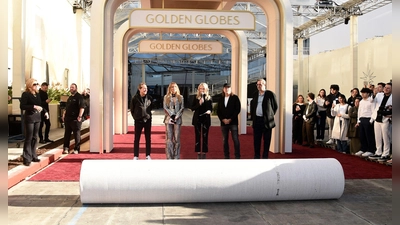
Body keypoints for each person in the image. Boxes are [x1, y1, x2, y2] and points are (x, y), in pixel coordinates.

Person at [20, 78, 49, 166]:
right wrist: (34, 106)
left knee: (35, 137)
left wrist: (45, 111)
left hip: (37, 118)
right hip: (30, 118)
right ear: (30, 85)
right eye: (34, 84)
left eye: (37, 84)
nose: (36, 86)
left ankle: (33, 155)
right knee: (29, 138)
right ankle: (26, 158)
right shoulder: (26, 94)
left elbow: (40, 105)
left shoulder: (37, 94)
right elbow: (22, 106)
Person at [250, 78, 278, 159]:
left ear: (264, 85)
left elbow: (275, 106)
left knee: (267, 140)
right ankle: (257, 156)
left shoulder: (270, 94)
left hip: (267, 121)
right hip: (257, 121)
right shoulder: (255, 94)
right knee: (256, 140)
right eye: (257, 84)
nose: (259, 86)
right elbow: (253, 106)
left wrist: (269, 115)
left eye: (260, 84)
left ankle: (265, 156)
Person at [217, 83, 241, 159]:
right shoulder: (221, 98)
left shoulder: (235, 98)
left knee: (235, 139)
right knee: (224, 140)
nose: (227, 89)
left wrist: (230, 119)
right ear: (223, 89)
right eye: (225, 88)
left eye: (228, 88)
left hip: (233, 122)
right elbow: (218, 111)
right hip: (223, 123)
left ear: (231, 89)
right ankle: (226, 156)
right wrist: (223, 119)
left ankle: (237, 156)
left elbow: (237, 110)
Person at [368, 83, 392, 162]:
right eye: (385, 87)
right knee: (377, 136)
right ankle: (378, 152)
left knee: (385, 137)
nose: (386, 89)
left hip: (386, 119)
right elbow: (371, 101)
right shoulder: (379, 95)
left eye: (388, 88)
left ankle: (385, 154)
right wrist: (374, 94)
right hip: (377, 118)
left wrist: (391, 115)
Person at [130, 82, 153, 160]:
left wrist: (148, 116)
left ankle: (148, 155)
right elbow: (132, 109)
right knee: (137, 138)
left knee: (148, 138)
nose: (145, 90)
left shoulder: (150, 98)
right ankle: (136, 155)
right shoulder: (135, 98)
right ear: (139, 89)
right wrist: (136, 117)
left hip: (147, 121)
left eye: (146, 88)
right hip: (138, 121)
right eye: (143, 88)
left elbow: (151, 108)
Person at [190, 82, 212, 159]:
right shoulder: (195, 98)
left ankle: (204, 150)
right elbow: (192, 108)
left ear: (206, 89)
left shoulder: (209, 98)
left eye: (203, 88)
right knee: (198, 135)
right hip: (197, 119)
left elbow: (210, 108)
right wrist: (199, 103)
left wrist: (209, 111)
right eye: (200, 88)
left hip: (206, 118)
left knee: (205, 135)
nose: (201, 90)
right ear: (198, 89)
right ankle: (198, 150)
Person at [62, 83, 85, 155]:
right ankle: (66, 148)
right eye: (70, 87)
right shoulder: (69, 98)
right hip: (68, 119)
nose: (71, 89)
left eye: (73, 87)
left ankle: (76, 149)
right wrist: (63, 115)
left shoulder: (79, 97)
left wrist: (80, 116)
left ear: (76, 88)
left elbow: (82, 107)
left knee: (76, 134)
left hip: (76, 119)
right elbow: (66, 108)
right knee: (67, 134)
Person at [163, 82, 184, 159]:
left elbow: (182, 108)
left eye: (175, 87)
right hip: (168, 120)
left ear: (177, 88)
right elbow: (165, 108)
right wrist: (172, 115)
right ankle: (169, 156)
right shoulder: (166, 97)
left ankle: (176, 156)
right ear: (169, 88)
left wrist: (176, 116)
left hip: (177, 120)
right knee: (169, 139)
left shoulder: (181, 97)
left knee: (177, 138)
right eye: (171, 87)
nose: (173, 88)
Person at [355, 88, 376, 157]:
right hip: (362, 119)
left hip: (368, 119)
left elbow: (373, 111)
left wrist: (371, 121)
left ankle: (371, 150)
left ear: (368, 93)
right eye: (362, 93)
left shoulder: (371, 101)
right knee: (362, 135)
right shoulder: (361, 101)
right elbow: (359, 111)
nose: (362, 94)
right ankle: (363, 148)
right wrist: (358, 120)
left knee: (369, 135)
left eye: (364, 93)